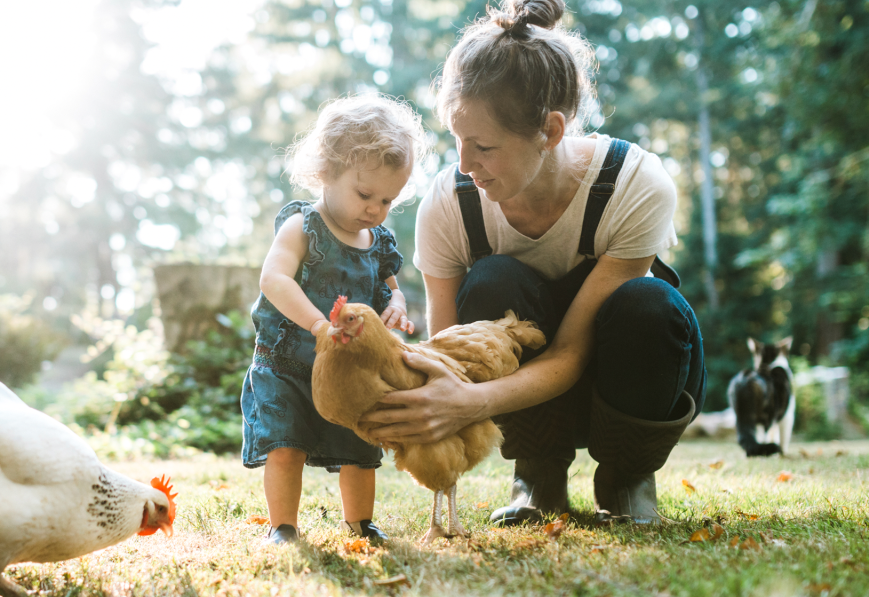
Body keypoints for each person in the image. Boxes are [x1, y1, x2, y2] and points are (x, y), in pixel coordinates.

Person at [358, 0, 706, 525]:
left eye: (484, 147)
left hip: (632, 380)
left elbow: (569, 354)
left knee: (649, 302)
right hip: (524, 403)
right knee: (494, 279)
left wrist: (471, 404)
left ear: (550, 130)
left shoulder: (635, 184)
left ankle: (627, 478)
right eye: (457, 140)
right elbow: (452, 353)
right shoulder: (451, 203)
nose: (465, 165)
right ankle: (537, 479)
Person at [240, 94, 426, 544]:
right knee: (285, 445)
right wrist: (318, 325)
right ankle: (283, 527)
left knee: (359, 451)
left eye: (387, 199)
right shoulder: (303, 226)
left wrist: (396, 306)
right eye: (365, 195)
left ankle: (361, 522)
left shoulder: (378, 241)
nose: (376, 209)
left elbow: (390, 286)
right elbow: (274, 278)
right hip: (288, 361)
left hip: (347, 372)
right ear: (326, 172)